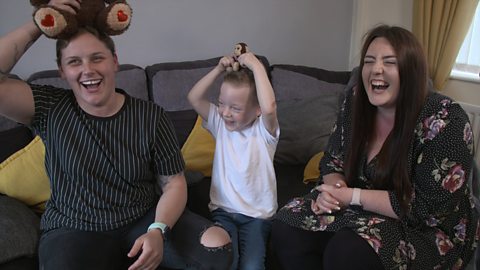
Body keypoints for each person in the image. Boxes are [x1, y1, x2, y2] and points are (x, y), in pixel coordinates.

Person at [0, 1, 233, 269]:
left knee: (217, 247)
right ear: (62, 72)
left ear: (114, 62)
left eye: (97, 58)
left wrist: (158, 230)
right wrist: (39, 23)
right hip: (76, 227)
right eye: (74, 62)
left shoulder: (151, 115)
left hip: (142, 218)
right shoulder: (48, 107)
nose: (88, 69)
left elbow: (174, 184)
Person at [271, 25, 479, 270]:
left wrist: (351, 196)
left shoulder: (446, 119)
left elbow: (428, 209)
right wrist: (333, 194)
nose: (376, 69)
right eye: (369, 61)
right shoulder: (357, 100)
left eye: (389, 62)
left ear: (411, 71)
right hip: (365, 211)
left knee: (348, 249)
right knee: (288, 223)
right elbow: (332, 160)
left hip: (429, 229)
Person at [187, 52, 279, 270]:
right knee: (226, 261)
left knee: (252, 266)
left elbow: (270, 107)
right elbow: (194, 97)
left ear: (256, 110)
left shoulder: (265, 132)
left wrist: (256, 66)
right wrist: (218, 69)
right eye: (222, 104)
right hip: (223, 211)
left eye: (235, 108)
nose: (226, 113)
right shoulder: (219, 124)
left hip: (257, 217)